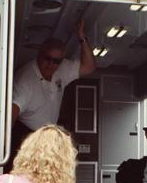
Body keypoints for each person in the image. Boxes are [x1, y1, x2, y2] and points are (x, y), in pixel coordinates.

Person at [9, 22, 96, 170]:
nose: (51, 64)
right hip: (25, 135)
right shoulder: (26, 79)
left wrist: (82, 39)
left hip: (47, 137)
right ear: (39, 54)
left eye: (56, 61)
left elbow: (89, 67)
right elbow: (11, 112)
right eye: (47, 58)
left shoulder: (62, 69)